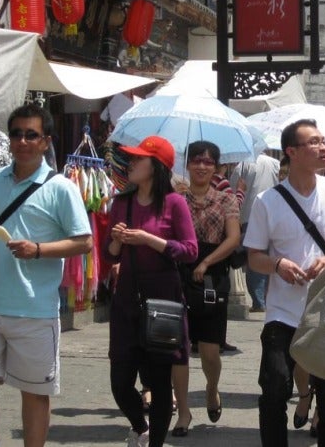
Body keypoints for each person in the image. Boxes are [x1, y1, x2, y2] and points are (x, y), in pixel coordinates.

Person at [0, 104, 93, 447]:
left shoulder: (61, 187)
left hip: (35, 309)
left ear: (45, 141)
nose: (23, 141)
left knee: (34, 392)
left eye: (32, 135)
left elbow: (84, 241)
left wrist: (39, 250)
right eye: (17, 134)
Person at [244, 119, 325, 446]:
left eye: (324, 141)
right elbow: (254, 257)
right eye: (314, 142)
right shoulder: (267, 200)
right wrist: (277, 264)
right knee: (275, 386)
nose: (324, 148)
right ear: (291, 152)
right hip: (283, 312)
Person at [105, 136, 199, 447]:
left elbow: (189, 251)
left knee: (159, 382)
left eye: (138, 159)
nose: (130, 163)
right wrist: (118, 241)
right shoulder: (121, 203)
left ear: (156, 167)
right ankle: (139, 425)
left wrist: (149, 240)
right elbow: (111, 254)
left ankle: (155, 442)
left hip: (163, 300)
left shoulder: (175, 203)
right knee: (120, 381)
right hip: (127, 300)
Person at [170, 141, 241, 436]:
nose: (201, 166)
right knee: (179, 349)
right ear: (187, 164)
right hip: (178, 274)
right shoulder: (176, 199)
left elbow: (233, 238)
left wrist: (206, 262)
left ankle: (212, 388)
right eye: (197, 161)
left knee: (210, 351)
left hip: (212, 275)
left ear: (216, 167)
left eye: (208, 162)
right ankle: (183, 411)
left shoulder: (225, 200)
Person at [231, 154, 280, 313]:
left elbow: (233, 190)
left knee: (254, 257)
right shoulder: (275, 163)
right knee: (272, 256)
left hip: (250, 216)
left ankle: (258, 301)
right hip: (274, 216)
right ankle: (268, 297)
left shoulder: (243, 165)